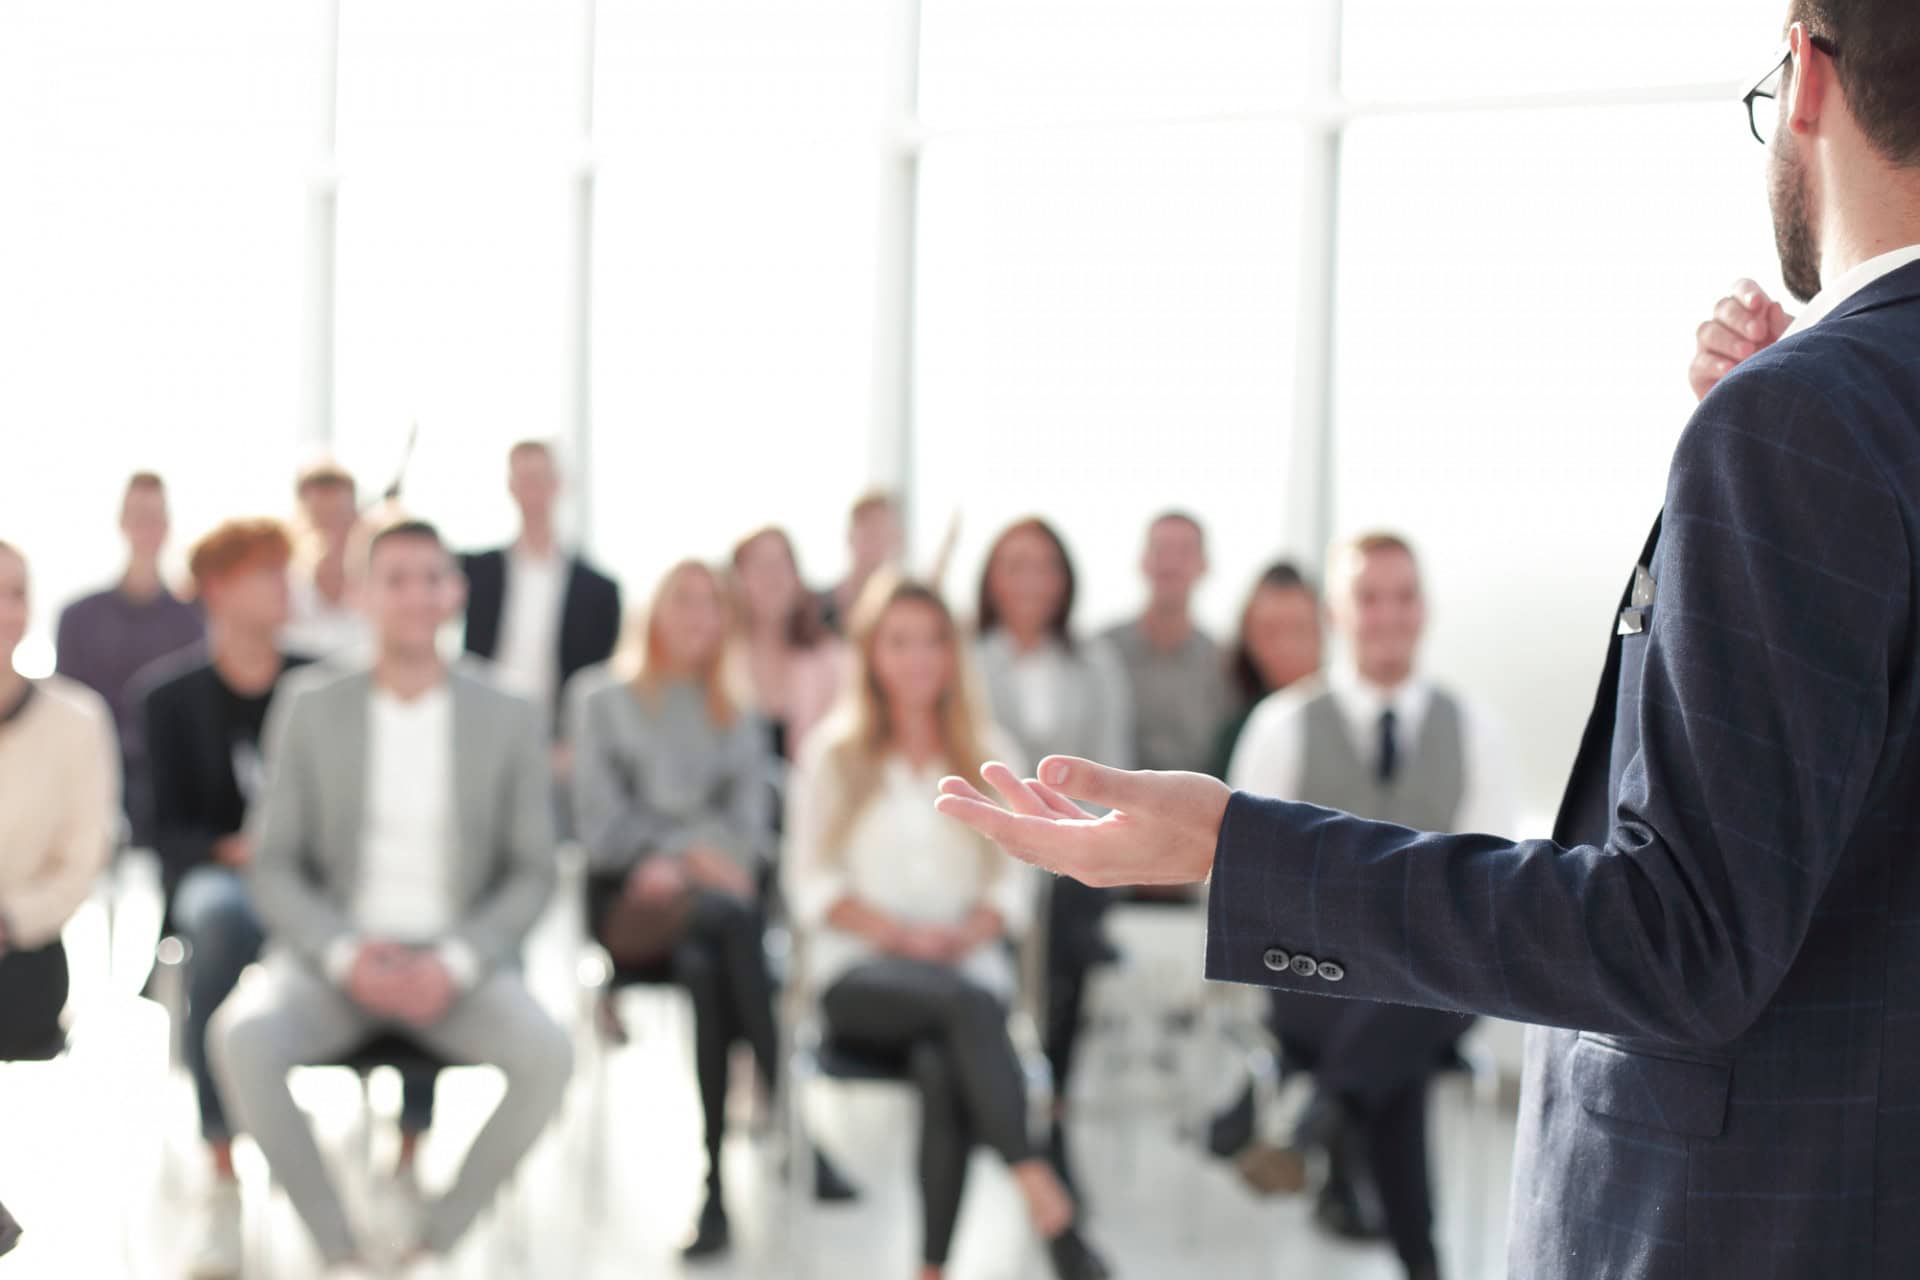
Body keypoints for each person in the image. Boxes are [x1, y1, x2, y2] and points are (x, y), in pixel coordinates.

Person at [935, 7, 1920, 1276]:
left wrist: (1229, 843)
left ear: (1807, 71)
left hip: (1760, 1218)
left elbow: (1681, 939)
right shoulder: (1816, 414)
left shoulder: (1801, 420)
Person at [210, 519, 571, 1276]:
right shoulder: (311, 704)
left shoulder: (507, 714)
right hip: (338, 960)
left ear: (456, 593)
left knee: (548, 1054)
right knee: (240, 1038)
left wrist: (461, 960)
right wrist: (343, 954)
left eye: (430, 578)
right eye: (395, 579)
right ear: (364, 593)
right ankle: (341, 1250)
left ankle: (428, 1244)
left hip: (459, 964)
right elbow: (272, 864)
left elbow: (534, 870)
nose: (414, 596)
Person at [785, 575, 1110, 1280]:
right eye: (899, 642)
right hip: (861, 975)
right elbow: (810, 884)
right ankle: (1040, 1184)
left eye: (933, 642)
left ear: (953, 653)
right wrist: (900, 937)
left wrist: (967, 933)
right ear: (871, 654)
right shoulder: (833, 756)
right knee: (964, 1006)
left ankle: (930, 1269)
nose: (917, 659)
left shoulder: (992, 751)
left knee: (943, 1061)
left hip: (966, 971)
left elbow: (1015, 878)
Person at [139, 519, 435, 1278]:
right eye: (265, 574)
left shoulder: (327, 687)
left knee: (418, 910)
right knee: (218, 918)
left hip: (323, 881)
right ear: (217, 589)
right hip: (222, 878)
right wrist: (234, 851)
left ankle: (408, 1149)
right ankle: (222, 1164)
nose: (285, 588)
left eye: (284, 571)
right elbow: (157, 828)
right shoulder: (168, 699)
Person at [1222, 534, 1513, 1280]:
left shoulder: (1472, 726)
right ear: (1336, 613)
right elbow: (1242, 880)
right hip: (1313, 975)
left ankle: (1317, 1109)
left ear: (1425, 609)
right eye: (1368, 597)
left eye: (1403, 595)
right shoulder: (1282, 725)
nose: (1387, 615)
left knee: (1417, 992)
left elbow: (1493, 882)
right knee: (1398, 1044)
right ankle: (1420, 1256)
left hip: (1434, 975)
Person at [568, 560, 814, 1259]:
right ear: (655, 609)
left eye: (713, 606)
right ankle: (793, 1121)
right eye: (685, 601)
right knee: (734, 925)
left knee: (712, 960)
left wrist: (681, 859)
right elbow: (599, 825)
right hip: (631, 910)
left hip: (711, 911)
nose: (699, 618)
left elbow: (754, 833)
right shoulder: (600, 700)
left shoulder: (736, 713)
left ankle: (714, 1194)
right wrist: (688, 855)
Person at [972, 517, 1132, 1191]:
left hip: (1076, 841)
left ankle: (1053, 1103)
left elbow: (1113, 765)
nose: (1031, 581)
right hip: (988, 842)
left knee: (1069, 910)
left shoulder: (1095, 665)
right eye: (1015, 566)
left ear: (1065, 580)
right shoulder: (965, 658)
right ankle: (1010, 1095)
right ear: (991, 579)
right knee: (1043, 926)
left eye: (1044, 566)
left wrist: (1072, 831)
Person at [0, 540, 119, 1061]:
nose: (5, 610)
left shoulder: (77, 721)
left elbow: (82, 861)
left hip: (23, 952)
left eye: (16, 594)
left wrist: (10, 922)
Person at [54, 471, 203, 843]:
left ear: (167, 527)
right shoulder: (79, 618)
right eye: (138, 516)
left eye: (155, 518)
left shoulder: (193, 620)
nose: (146, 528)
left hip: (166, 775)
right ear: (122, 523)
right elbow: (64, 707)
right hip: (95, 766)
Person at [459, 440, 622, 740]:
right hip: (482, 731)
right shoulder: (475, 572)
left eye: (540, 479)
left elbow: (596, 681)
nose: (532, 491)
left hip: (559, 741)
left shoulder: (599, 591)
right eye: (523, 479)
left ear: (558, 485)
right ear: (511, 486)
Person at [1100, 512, 1231, 777]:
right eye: (1161, 550)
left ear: (1204, 565)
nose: (1170, 563)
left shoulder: (1224, 663)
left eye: (1184, 552)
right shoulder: (1102, 651)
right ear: (1143, 561)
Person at [727, 526, 843, 762]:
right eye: (760, 566)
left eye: (782, 565)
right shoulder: (720, 660)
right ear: (737, 578)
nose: (773, 577)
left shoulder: (831, 661)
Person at [1208, 562, 1323, 779]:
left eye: (1298, 629)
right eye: (1271, 631)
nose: (1286, 646)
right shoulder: (1237, 733)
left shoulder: (1353, 720)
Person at [282, 461, 373, 662]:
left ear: (357, 518)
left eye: (340, 516)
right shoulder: (281, 595)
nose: (331, 532)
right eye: (319, 519)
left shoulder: (383, 590)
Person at [818, 490, 905, 637]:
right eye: (870, 532)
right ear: (850, 536)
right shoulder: (818, 608)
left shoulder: (903, 609)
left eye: (884, 532)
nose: (877, 543)